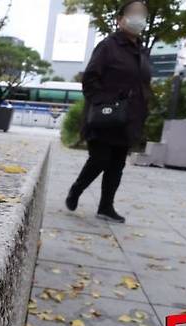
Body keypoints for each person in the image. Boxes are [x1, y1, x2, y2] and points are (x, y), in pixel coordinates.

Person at [65, 0, 152, 223]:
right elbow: (90, 79)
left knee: (117, 165)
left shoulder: (141, 50)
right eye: (133, 12)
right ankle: (76, 190)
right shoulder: (108, 46)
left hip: (129, 118)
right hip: (105, 116)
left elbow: (143, 84)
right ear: (119, 19)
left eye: (142, 13)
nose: (138, 17)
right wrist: (103, 103)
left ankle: (106, 207)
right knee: (100, 159)